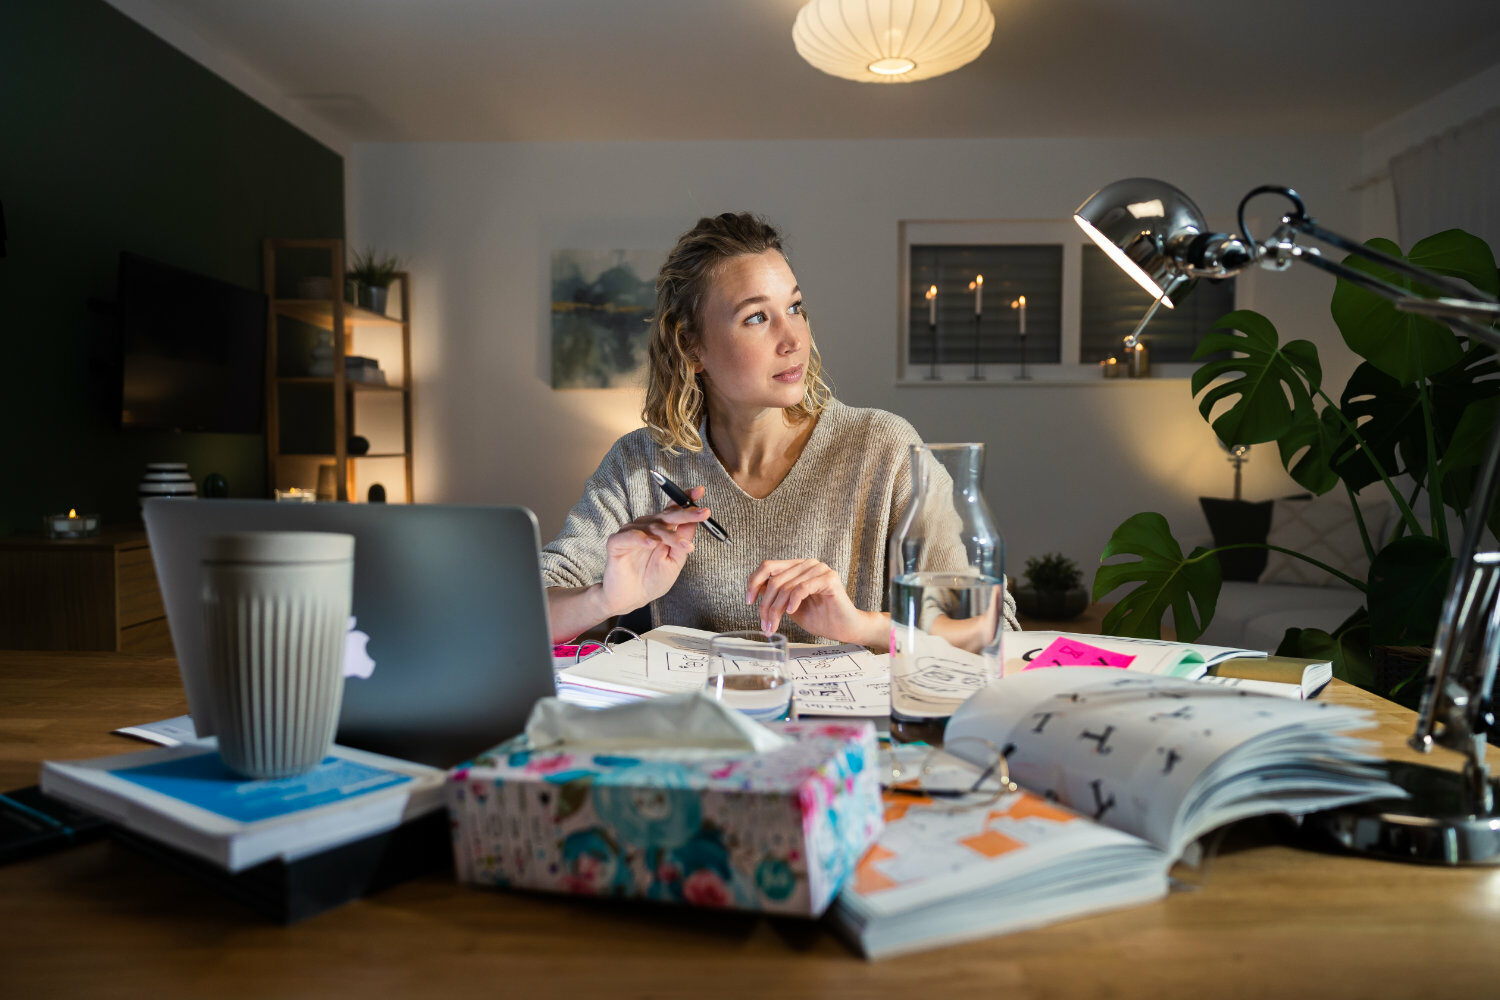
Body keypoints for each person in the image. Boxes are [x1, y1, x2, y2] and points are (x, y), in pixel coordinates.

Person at [541, 211, 1018, 647]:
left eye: (795, 308)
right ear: (691, 347)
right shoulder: (640, 463)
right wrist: (604, 599)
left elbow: (992, 628)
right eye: (756, 317)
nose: (793, 339)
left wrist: (861, 626)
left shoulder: (884, 449)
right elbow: (525, 614)